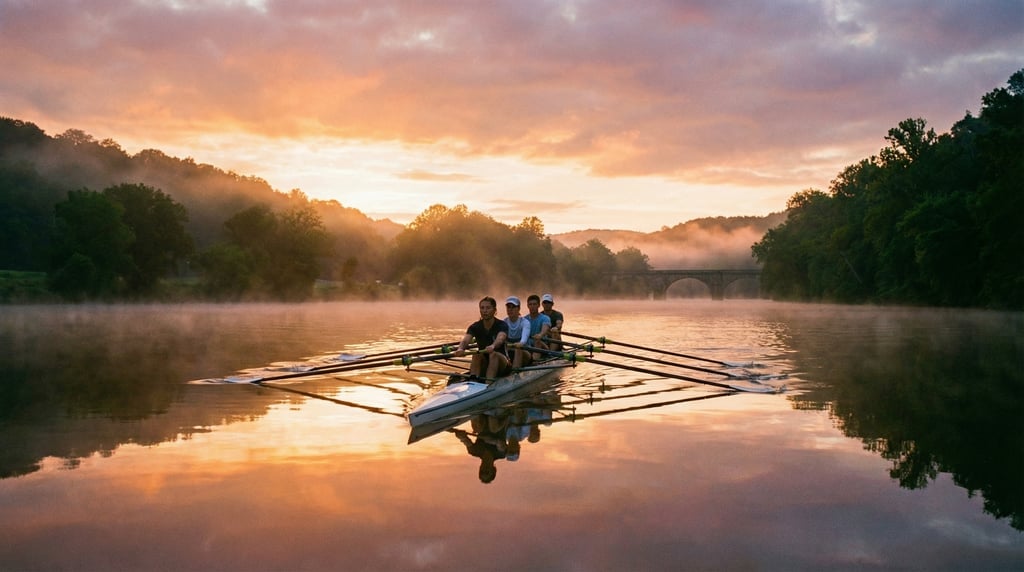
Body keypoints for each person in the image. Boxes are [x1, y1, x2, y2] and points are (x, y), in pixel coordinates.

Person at [454, 296, 510, 379]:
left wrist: (493, 346)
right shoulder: (475, 327)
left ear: (494, 310)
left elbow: (500, 338)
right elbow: (466, 340)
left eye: (488, 308)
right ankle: (473, 382)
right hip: (485, 362)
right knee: (476, 354)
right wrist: (460, 349)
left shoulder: (502, 325)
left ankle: (488, 383)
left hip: (503, 363)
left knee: (493, 354)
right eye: (482, 308)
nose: (485, 311)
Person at [503, 296, 532, 369]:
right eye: (508, 307)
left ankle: (515, 371)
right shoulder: (504, 323)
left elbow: (524, 340)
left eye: (513, 307)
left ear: (518, 308)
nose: (510, 309)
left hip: (525, 353)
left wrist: (521, 343)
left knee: (518, 348)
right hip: (509, 353)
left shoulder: (525, 322)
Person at [525, 294, 552, 360]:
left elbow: (545, 329)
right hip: (528, 346)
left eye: (534, 304)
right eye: (530, 304)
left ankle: (534, 362)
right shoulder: (524, 319)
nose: (532, 306)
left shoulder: (545, 318)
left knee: (537, 341)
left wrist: (540, 334)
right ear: (527, 306)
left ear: (539, 305)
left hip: (543, 346)